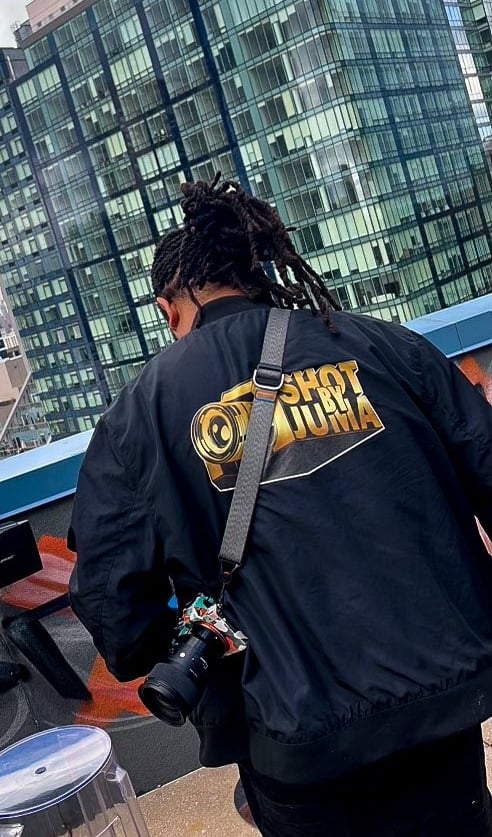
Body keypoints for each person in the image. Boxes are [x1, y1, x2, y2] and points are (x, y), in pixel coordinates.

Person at [68, 173, 492, 836]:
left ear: (169, 309)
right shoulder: (382, 345)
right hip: (441, 715)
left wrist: (195, 635)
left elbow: (116, 616)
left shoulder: (138, 417)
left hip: (296, 748)